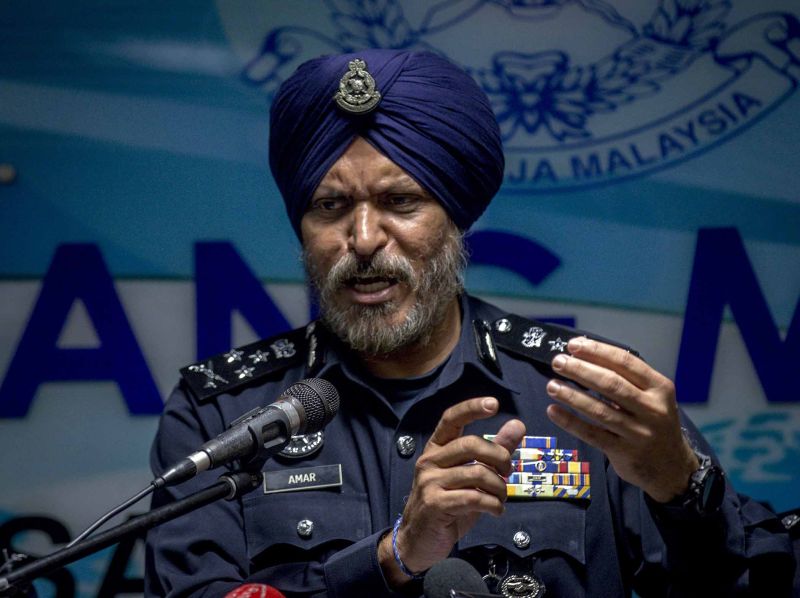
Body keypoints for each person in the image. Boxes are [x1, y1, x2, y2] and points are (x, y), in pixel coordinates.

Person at [145, 49, 795, 597]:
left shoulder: (584, 393)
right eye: (330, 205)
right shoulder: (221, 418)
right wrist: (393, 558)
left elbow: (759, 579)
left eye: (400, 201)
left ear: (456, 219)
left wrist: (681, 485)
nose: (364, 237)